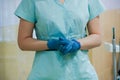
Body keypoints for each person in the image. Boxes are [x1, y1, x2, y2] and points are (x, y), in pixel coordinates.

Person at [15, 0, 105, 80]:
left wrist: (77, 44)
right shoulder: (31, 2)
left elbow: (97, 36)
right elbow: (23, 41)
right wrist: (49, 44)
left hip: (81, 71)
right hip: (46, 72)